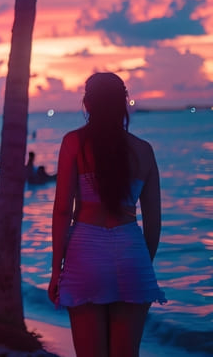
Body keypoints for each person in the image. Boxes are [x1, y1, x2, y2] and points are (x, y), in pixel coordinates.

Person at [48, 72, 165, 357]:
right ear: (123, 103)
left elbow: (63, 209)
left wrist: (55, 271)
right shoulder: (144, 150)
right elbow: (153, 222)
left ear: (87, 104)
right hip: (132, 251)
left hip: (86, 252)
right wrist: (139, 261)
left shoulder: (73, 143)